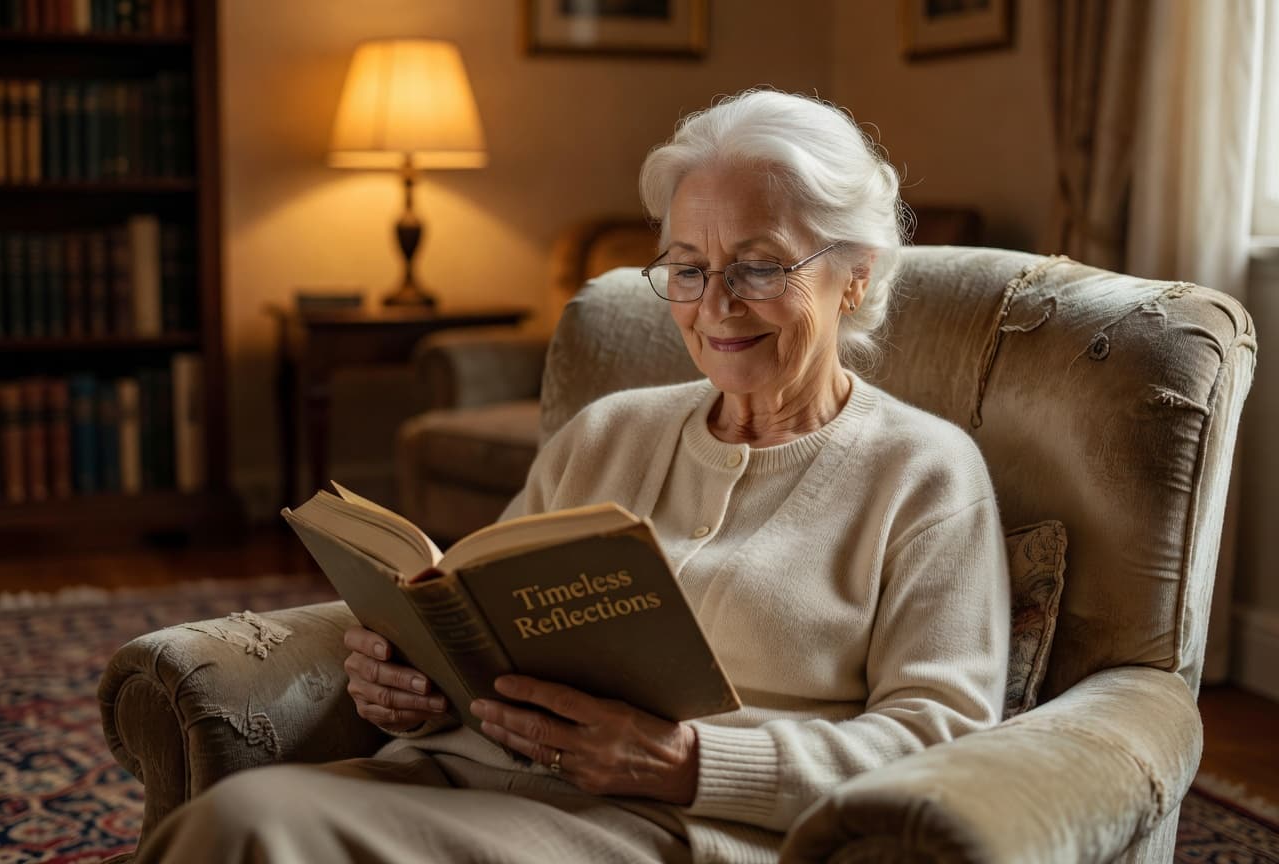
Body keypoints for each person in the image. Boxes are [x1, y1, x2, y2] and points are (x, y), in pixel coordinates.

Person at [136, 88, 1010, 864]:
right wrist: (404, 677)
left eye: (758, 264)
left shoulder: (924, 472)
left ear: (854, 277)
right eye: (687, 268)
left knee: (253, 829)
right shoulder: (608, 432)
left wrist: (691, 764)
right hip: (453, 777)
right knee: (242, 821)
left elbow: (945, 736)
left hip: (648, 825)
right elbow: (474, 615)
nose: (715, 306)